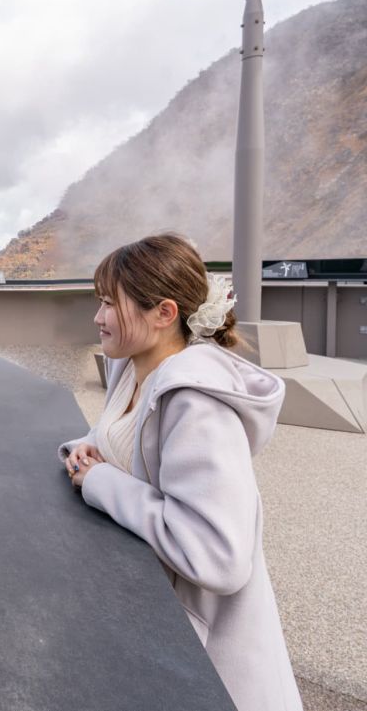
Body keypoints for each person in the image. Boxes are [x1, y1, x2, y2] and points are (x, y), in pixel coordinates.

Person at [59, 233, 302, 711]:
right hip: (149, 614)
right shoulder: (133, 368)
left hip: (202, 655)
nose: (98, 317)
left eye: (109, 303)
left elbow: (218, 557)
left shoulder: (196, 404)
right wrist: (90, 445)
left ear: (164, 313)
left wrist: (101, 482)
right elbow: (128, 437)